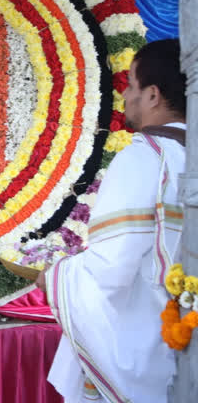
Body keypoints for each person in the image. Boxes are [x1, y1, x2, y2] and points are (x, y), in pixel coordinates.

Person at [36, 39, 186, 403]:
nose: (125, 93)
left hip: (150, 350)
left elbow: (108, 272)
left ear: (152, 95)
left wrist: (53, 278)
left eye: (131, 84)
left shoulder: (144, 159)